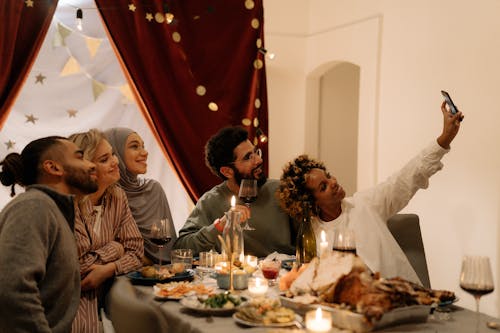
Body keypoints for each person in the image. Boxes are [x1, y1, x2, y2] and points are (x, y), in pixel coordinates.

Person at [278, 102, 464, 284]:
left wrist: (445, 138)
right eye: (323, 187)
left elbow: (408, 177)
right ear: (311, 203)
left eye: (328, 176)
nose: (333, 182)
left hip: (407, 297)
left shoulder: (365, 203)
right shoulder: (316, 239)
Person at [0, 136, 98, 332]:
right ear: (53, 168)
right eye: (80, 157)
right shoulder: (34, 206)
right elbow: (11, 288)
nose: (91, 165)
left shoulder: (52, 209)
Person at [174, 126, 297, 257]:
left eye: (256, 152)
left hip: (284, 274)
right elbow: (181, 248)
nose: (259, 160)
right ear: (227, 171)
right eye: (248, 157)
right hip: (236, 275)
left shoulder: (282, 191)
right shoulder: (210, 201)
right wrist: (219, 226)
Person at [69, 129, 144, 333]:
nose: (115, 161)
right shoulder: (69, 203)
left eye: (112, 154)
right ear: (84, 167)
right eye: (104, 159)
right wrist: (116, 248)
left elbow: (137, 252)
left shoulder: (117, 196)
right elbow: (79, 268)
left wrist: (108, 270)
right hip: (68, 310)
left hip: (104, 306)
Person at [104, 127, 177, 264]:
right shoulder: (106, 194)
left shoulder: (154, 189)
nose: (145, 153)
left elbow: (168, 245)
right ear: (116, 153)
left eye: (143, 146)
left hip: (161, 272)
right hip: (120, 274)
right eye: (134, 146)